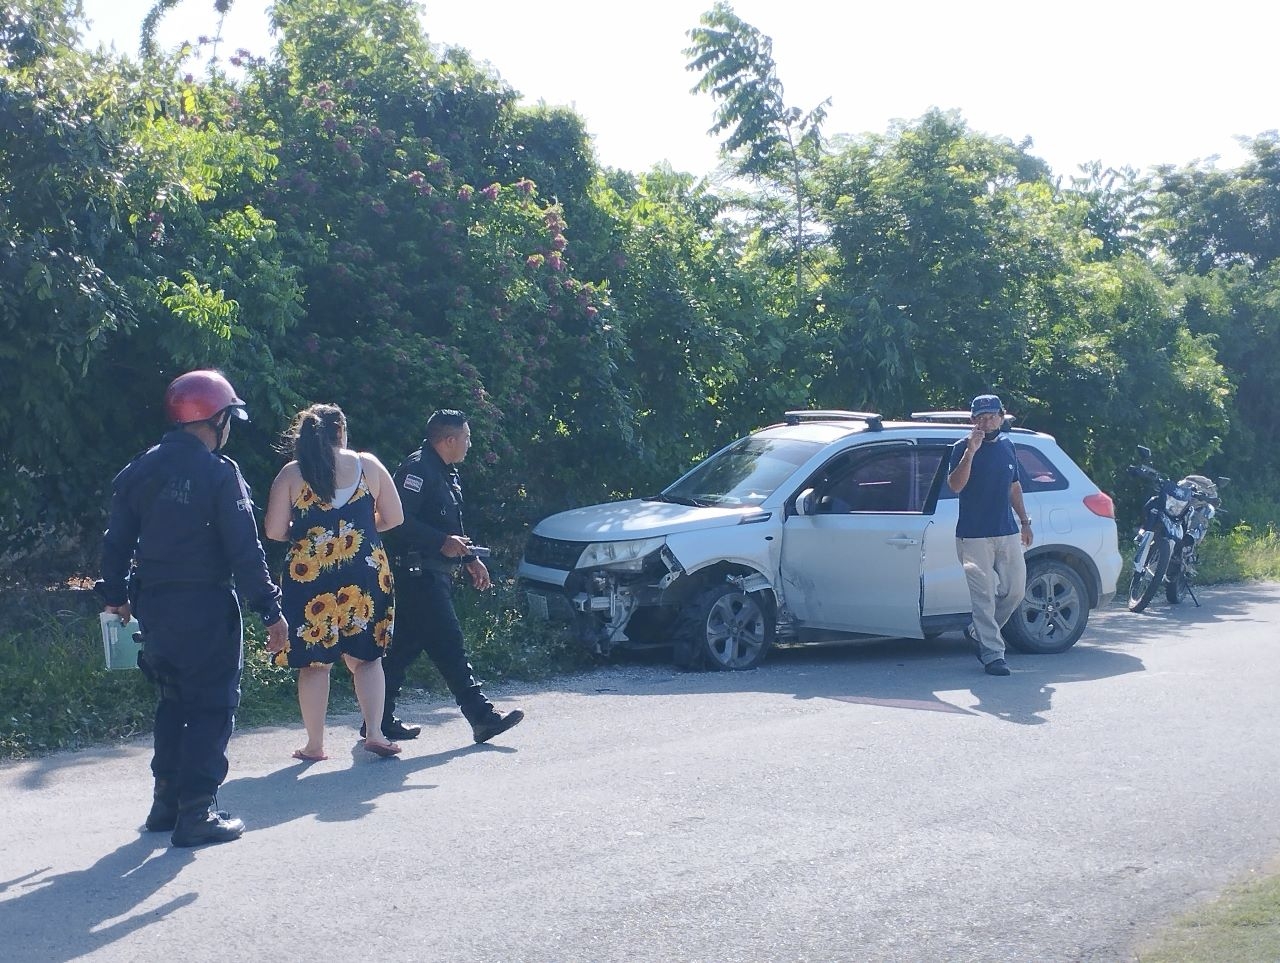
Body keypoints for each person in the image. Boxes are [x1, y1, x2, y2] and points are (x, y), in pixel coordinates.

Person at [97, 370, 289, 847]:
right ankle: (198, 811)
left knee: (173, 701)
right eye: (229, 418)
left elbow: (115, 542)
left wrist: (115, 597)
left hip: (155, 608)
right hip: (205, 606)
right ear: (216, 418)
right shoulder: (220, 473)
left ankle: (165, 804)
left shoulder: (139, 470)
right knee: (211, 706)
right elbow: (246, 551)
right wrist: (270, 610)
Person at [263, 404, 405, 760]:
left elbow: (274, 531)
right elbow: (395, 517)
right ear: (342, 430)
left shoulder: (293, 474)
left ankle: (315, 745)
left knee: (315, 663)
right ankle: (374, 732)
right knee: (368, 657)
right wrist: (364, 530)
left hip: (309, 577)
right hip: (366, 570)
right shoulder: (368, 465)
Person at [376, 409, 524, 744]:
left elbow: (451, 529)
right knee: (450, 645)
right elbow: (397, 521)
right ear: (449, 440)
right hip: (416, 574)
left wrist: (470, 558)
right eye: (467, 438)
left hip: (434, 574)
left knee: (402, 651)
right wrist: (441, 542)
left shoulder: (446, 473)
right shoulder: (417, 469)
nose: (469, 444)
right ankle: (482, 717)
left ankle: (377, 720)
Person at [946, 394, 1034, 676]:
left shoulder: (1008, 446)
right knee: (982, 598)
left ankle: (978, 631)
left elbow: (1014, 486)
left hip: (1006, 531)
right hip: (973, 536)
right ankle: (993, 654)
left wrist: (1024, 521)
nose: (986, 422)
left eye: (991, 416)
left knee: (1015, 590)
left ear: (1001, 416)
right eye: (980, 417)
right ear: (972, 420)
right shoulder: (962, 447)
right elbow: (955, 486)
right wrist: (970, 452)